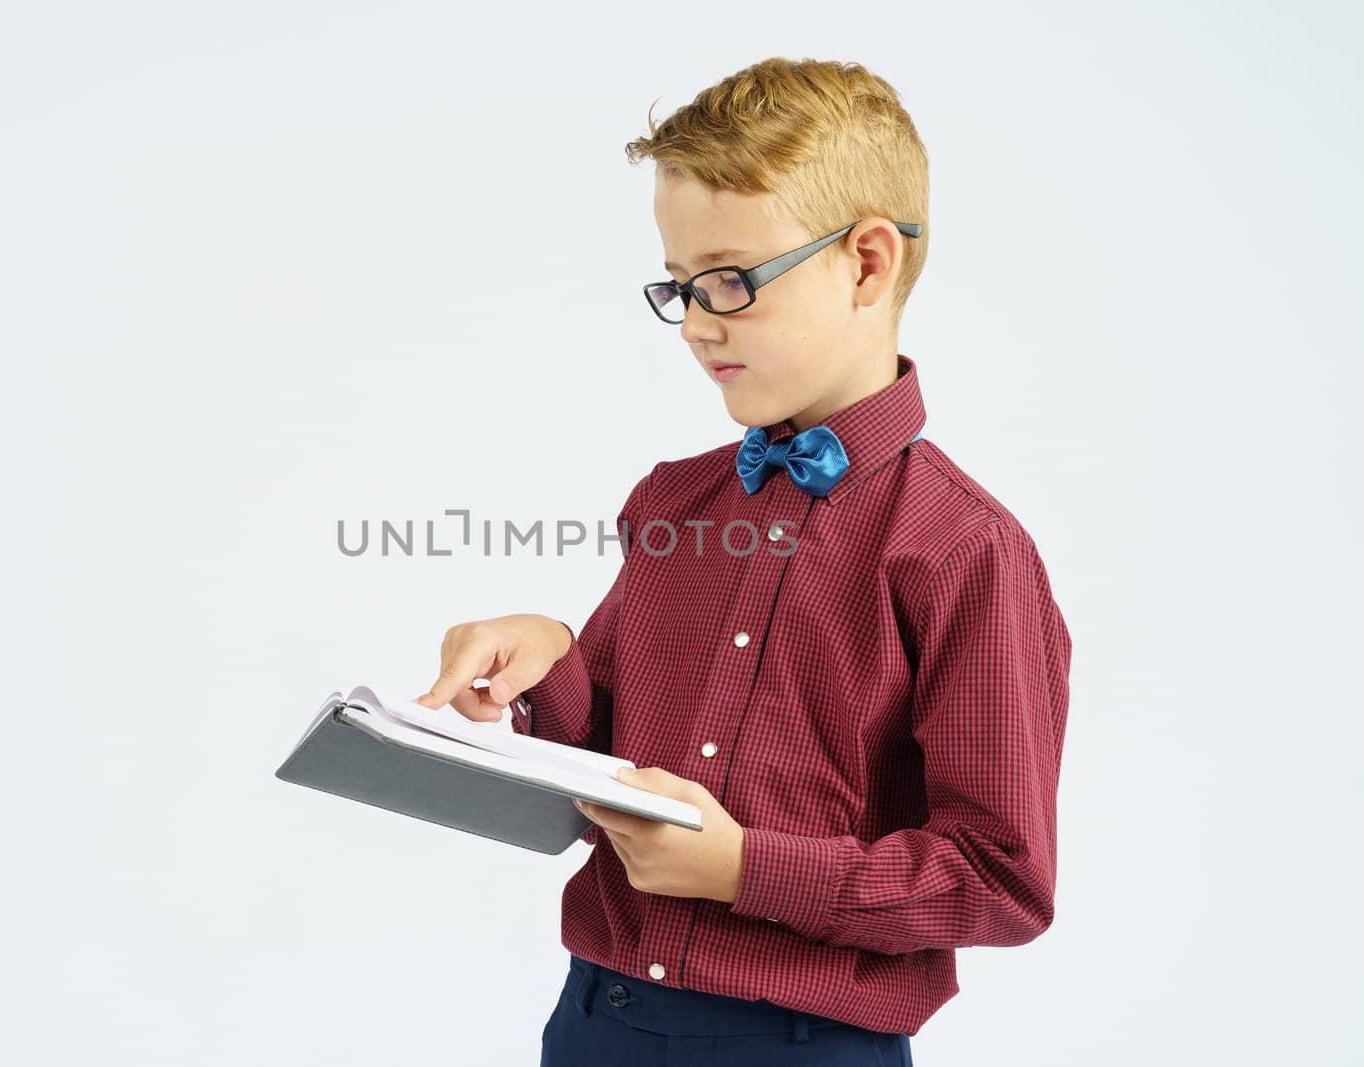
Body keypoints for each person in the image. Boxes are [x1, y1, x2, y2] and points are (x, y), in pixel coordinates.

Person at [413, 55, 1072, 1066]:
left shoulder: (962, 551)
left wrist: (744, 868)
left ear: (865, 262)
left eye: (728, 279)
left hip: (807, 1044)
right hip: (597, 1022)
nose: (695, 322)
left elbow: (996, 878)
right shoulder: (672, 502)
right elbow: (616, 779)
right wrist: (548, 659)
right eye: (678, 285)